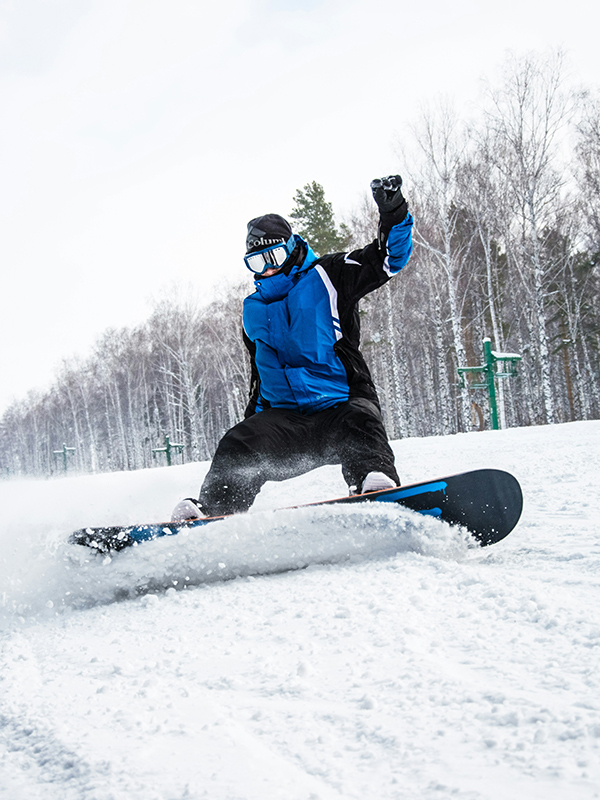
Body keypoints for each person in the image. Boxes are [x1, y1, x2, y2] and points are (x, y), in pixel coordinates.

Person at [171, 175, 414, 521]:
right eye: (257, 262)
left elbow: (390, 259)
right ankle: (213, 514)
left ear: (291, 248)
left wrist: (392, 211)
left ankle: (373, 485)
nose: (268, 267)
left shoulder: (330, 275)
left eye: (275, 255)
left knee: (362, 423)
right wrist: (254, 426)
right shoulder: (252, 310)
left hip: (340, 405)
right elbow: (260, 374)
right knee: (239, 442)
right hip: (287, 421)